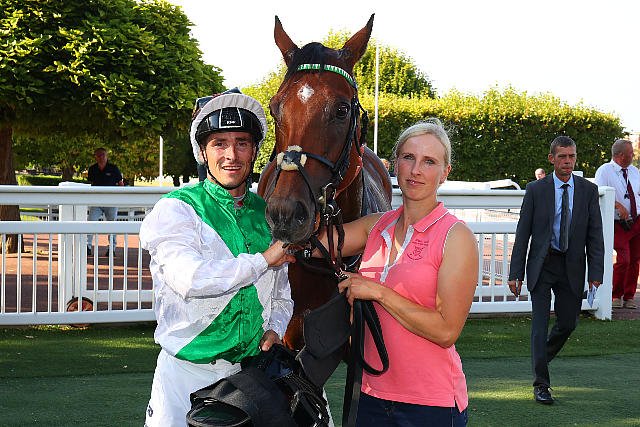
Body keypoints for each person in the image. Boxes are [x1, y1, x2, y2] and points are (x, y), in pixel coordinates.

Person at [139, 89, 295, 426]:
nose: (231, 155)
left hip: (248, 379)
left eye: (242, 143)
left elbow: (282, 291)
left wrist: (276, 327)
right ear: (203, 152)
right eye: (219, 143)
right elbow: (190, 279)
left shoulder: (267, 213)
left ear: (255, 151)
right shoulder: (176, 208)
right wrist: (264, 259)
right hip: (185, 376)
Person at [320, 119, 478, 426]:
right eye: (409, 157)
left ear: (445, 172)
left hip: (430, 404)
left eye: (429, 161)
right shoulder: (376, 225)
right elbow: (314, 244)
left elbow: (446, 331)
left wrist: (378, 292)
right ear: (395, 165)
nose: (416, 170)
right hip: (370, 396)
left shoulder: (455, 236)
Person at [508, 135, 604, 405]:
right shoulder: (535, 190)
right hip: (542, 264)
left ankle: (540, 359)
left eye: (571, 156)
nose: (567, 161)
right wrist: (515, 273)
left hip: (572, 266)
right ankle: (541, 384)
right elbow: (523, 232)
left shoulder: (587, 190)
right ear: (552, 159)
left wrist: (596, 273)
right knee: (539, 326)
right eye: (562, 156)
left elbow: (595, 234)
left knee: (568, 323)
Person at [595, 139, 639, 309]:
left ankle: (629, 296)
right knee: (624, 260)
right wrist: (617, 204)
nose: (633, 155)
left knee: (635, 260)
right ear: (621, 156)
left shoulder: (634, 171)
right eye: (631, 153)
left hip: (637, 221)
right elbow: (597, 193)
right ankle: (615, 294)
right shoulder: (604, 170)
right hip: (618, 223)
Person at [86, 147, 124, 257]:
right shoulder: (92, 169)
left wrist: (119, 197)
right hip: (96, 201)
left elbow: (121, 184)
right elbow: (90, 184)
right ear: (95, 157)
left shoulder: (113, 168)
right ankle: (88, 246)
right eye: (98, 155)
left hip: (111, 201)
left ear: (106, 155)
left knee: (112, 225)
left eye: (102, 154)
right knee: (91, 222)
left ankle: (112, 248)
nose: (101, 157)